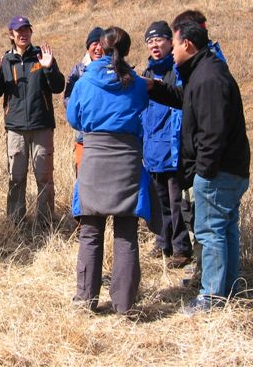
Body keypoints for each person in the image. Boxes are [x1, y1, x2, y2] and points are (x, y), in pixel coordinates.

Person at [147, 19, 250, 313]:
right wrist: (153, 87)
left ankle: (212, 298)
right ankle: (228, 287)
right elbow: (185, 100)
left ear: (187, 44)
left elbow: (212, 134)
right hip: (229, 169)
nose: (172, 49)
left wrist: (202, 173)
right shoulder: (203, 72)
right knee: (225, 229)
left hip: (218, 172)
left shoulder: (208, 78)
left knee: (210, 232)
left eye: (175, 43)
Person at [66, 27, 149, 314]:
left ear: (100, 47)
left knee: (90, 231)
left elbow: (74, 118)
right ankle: (124, 305)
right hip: (127, 160)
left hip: (94, 157)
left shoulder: (85, 81)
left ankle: (85, 300)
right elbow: (142, 105)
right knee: (126, 233)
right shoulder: (136, 82)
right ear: (127, 50)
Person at [0, 16, 65, 226]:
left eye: (27, 30)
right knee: (16, 177)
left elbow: (58, 87)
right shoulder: (5, 61)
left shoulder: (42, 56)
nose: (23, 34)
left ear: (31, 32)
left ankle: (45, 221)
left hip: (42, 125)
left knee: (44, 177)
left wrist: (49, 67)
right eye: (19, 31)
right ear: (11, 35)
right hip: (16, 128)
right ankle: (16, 222)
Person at [141, 21, 193, 268]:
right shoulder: (146, 74)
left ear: (171, 42)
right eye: (150, 41)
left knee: (176, 202)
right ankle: (163, 242)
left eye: (159, 40)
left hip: (173, 148)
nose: (154, 45)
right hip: (152, 147)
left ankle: (181, 248)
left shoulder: (178, 71)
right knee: (158, 200)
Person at [63, 27, 104, 174]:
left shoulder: (114, 69)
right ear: (88, 48)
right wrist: (83, 120)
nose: (98, 48)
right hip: (84, 137)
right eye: (94, 44)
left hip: (108, 138)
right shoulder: (79, 71)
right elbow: (68, 100)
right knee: (83, 177)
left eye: (102, 44)